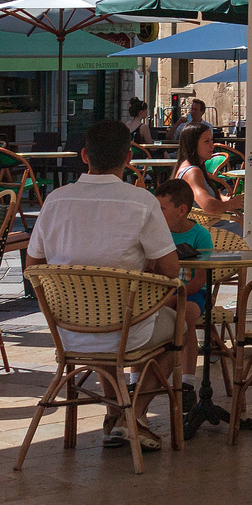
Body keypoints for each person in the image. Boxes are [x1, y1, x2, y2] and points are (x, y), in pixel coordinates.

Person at [26, 121, 181, 451]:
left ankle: (114, 414)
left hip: (68, 332)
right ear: (128, 158)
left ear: (84, 155)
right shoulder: (141, 202)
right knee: (177, 327)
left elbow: (32, 268)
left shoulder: (55, 201)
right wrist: (143, 263)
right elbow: (171, 269)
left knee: (109, 329)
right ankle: (133, 415)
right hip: (125, 330)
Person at [170, 124, 252, 253]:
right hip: (219, 233)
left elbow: (206, 198)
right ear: (192, 144)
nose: (212, 146)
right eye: (206, 141)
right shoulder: (193, 172)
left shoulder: (185, 169)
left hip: (211, 230)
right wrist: (232, 204)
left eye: (211, 140)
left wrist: (227, 199)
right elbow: (209, 206)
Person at [155, 178, 213, 387]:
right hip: (164, 293)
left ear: (181, 210)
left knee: (185, 315)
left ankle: (187, 381)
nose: (156, 214)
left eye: (161, 208)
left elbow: (200, 281)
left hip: (194, 294)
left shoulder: (201, 236)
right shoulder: (157, 234)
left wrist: (174, 297)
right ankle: (136, 379)